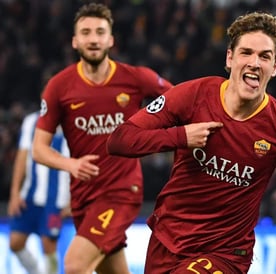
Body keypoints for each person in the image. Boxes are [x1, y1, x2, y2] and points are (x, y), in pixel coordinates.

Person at [107, 11, 276, 273]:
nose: (254, 62)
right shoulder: (193, 95)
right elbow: (120, 140)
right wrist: (181, 137)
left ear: (274, 67)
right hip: (167, 239)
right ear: (230, 58)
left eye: (265, 57)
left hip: (226, 252)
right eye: (246, 53)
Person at [32, 3, 173, 274]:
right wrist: (71, 165)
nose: (93, 39)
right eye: (86, 32)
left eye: (100, 32)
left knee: (74, 265)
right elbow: (39, 149)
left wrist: (166, 136)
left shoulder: (135, 78)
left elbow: (179, 101)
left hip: (121, 192)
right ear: (75, 41)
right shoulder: (59, 86)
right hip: (83, 196)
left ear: (111, 39)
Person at [8, 111, 70, 274]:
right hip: (29, 197)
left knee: (49, 247)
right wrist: (15, 193)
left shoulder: (72, 123)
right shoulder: (31, 121)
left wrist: (72, 200)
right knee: (15, 243)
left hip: (55, 201)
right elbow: (22, 158)